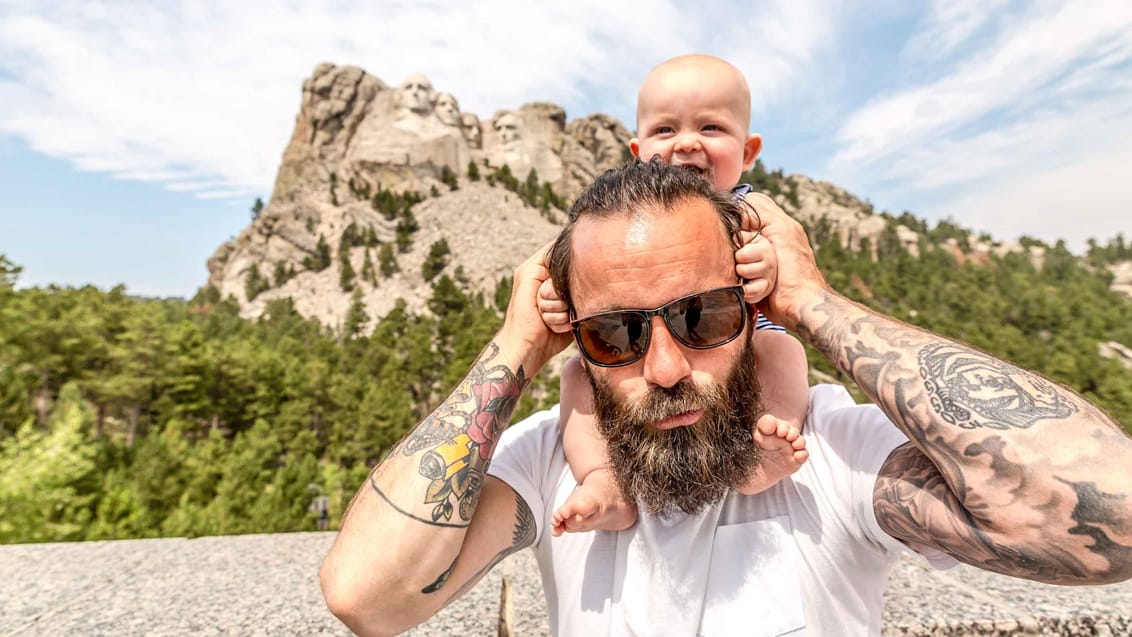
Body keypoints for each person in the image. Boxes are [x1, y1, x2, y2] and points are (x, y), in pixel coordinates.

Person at [321, 160, 1132, 636]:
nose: (668, 366)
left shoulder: (828, 456)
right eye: (617, 335)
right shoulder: (550, 466)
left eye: (703, 315)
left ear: (753, 308)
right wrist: (512, 351)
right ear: (576, 342)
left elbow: (1115, 516)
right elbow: (366, 596)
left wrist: (815, 303)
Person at [538, 54, 810, 535]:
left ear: (748, 152)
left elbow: (785, 274)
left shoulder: (752, 214)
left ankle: (767, 443)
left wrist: (765, 266)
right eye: (666, 130)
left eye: (710, 127)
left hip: (748, 350)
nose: (687, 142)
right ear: (637, 149)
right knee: (576, 374)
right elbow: (584, 281)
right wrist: (558, 302)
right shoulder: (619, 222)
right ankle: (603, 480)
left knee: (784, 349)